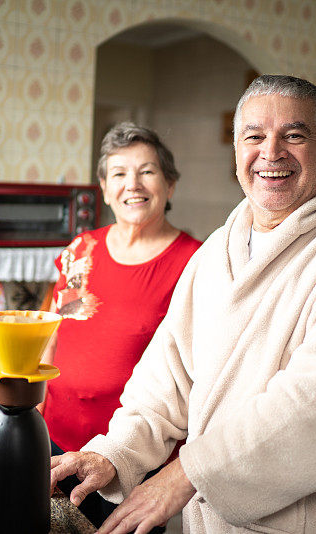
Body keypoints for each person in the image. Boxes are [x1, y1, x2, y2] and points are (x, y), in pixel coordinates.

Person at [49, 75, 316, 534]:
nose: (272, 152)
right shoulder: (219, 249)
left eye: (295, 135)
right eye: (254, 136)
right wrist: (116, 451)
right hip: (216, 520)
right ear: (237, 152)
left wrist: (183, 476)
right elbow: (167, 375)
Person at [40, 122, 202, 528]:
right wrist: (32, 413)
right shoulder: (82, 249)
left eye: (147, 171)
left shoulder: (195, 263)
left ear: (170, 184)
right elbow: (54, 332)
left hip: (131, 461)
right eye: (119, 174)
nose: (134, 184)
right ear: (104, 187)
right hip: (57, 445)